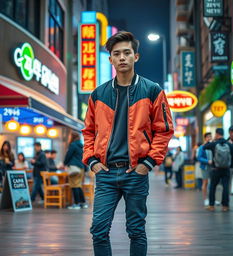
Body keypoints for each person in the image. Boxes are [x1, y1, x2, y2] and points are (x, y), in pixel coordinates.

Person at [82, 31, 173, 256]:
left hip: (136, 172)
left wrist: (148, 163)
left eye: (126, 53)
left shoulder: (152, 90)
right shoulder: (98, 94)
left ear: (136, 56)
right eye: (116, 54)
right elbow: (88, 131)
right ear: (110, 59)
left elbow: (164, 130)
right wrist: (92, 161)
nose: (122, 58)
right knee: (99, 230)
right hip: (106, 173)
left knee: (136, 230)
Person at [203, 128, 233, 212]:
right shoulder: (229, 144)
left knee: (213, 187)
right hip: (226, 169)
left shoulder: (214, 144)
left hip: (216, 169)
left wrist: (213, 140)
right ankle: (225, 206)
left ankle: (211, 206)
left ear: (217, 134)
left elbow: (204, 147)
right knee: (225, 187)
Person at [64, 131, 87, 210]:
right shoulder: (81, 145)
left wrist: (65, 163)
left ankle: (76, 204)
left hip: (74, 167)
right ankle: (82, 203)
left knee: (74, 186)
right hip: (81, 168)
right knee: (78, 185)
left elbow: (68, 156)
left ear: (72, 137)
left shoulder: (73, 145)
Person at [197, 133, 213, 206]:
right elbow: (199, 158)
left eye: (210, 136)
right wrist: (207, 161)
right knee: (205, 182)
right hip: (205, 167)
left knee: (212, 183)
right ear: (205, 138)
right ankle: (205, 199)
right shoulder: (202, 147)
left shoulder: (213, 145)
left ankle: (212, 199)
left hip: (212, 167)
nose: (210, 138)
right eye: (208, 137)